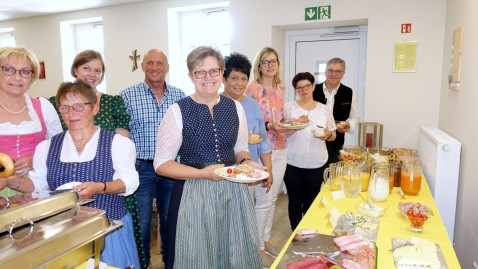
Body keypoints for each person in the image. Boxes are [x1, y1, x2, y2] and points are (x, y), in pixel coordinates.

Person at [1, 81, 140, 268]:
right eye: (64, 108)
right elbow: (38, 183)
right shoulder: (47, 147)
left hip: (106, 229)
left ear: (95, 107)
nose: (71, 113)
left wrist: (101, 187)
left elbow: (130, 182)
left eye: (78, 106)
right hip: (62, 232)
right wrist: (11, 181)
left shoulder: (118, 143)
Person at [154, 46, 262, 268]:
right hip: (194, 192)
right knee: (198, 253)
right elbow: (162, 164)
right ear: (191, 76)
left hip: (233, 191)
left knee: (234, 249)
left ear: (221, 73)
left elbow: (241, 148)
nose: (207, 77)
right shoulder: (177, 110)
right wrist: (202, 173)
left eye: (213, 71)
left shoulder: (236, 108)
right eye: (200, 72)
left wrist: (246, 162)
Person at [48, 50, 147, 267]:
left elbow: (128, 176)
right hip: (64, 222)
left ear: (95, 108)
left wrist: (101, 183)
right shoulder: (50, 136)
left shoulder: (114, 119)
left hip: (107, 209)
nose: (72, 113)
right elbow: (45, 168)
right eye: (86, 68)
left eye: (98, 70)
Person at [121, 49, 186, 265]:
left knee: (170, 219)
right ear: (143, 66)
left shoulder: (180, 97)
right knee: (142, 220)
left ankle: (170, 262)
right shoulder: (128, 96)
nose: (154, 67)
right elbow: (121, 137)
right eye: (150, 63)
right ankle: (143, 262)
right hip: (141, 168)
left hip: (171, 168)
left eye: (160, 63)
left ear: (167, 67)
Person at [221, 52, 274, 267]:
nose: (239, 83)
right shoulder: (215, 103)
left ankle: (246, 256)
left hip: (248, 173)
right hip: (223, 173)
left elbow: (261, 139)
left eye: (243, 78)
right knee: (225, 220)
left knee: (246, 217)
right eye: (234, 78)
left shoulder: (252, 106)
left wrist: (268, 169)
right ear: (224, 78)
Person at [0, 46, 62, 197]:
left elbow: (60, 150)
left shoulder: (44, 107)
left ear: (32, 77)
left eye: (25, 72)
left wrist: (36, 159)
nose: (17, 77)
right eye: (8, 69)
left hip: (38, 187)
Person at [245, 46, 287, 258]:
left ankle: (265, 240)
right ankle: (256, 247)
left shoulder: (281, 88)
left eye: (273, 61)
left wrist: (290, 124)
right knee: (262, 201)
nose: (270, 65)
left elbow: (280, 116)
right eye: (265, 61)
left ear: (278, 65)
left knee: (272, 199)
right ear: (259, 66)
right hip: (260, 152)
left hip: (280, 147)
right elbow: (250, 124)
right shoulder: (251, 89)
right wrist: (271, 126)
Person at [283, 72, 336, 232]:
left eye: (306, 86)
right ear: (296, 90)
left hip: (317, 162)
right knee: (294, 200)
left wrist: (327, 135)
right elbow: (284, 134)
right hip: (293, 162)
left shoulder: (324, 109)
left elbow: (333, 134)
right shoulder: (289, 108)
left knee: (311, 200)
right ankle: (297, 233)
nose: (303, 90)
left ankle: (308, 230)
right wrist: (296, 123)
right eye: (299, 88)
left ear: (313, 86)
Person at [312, 58, 359, 164]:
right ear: (325, 72)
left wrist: (348, 124)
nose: (334, 74)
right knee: (314, 177)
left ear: (343, 74)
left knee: (331, 176)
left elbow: (355, 117)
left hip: (336, 143)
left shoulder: (349, 93)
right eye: (330, 70)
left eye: (338, 71)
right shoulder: (313, 90)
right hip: (314, 142)